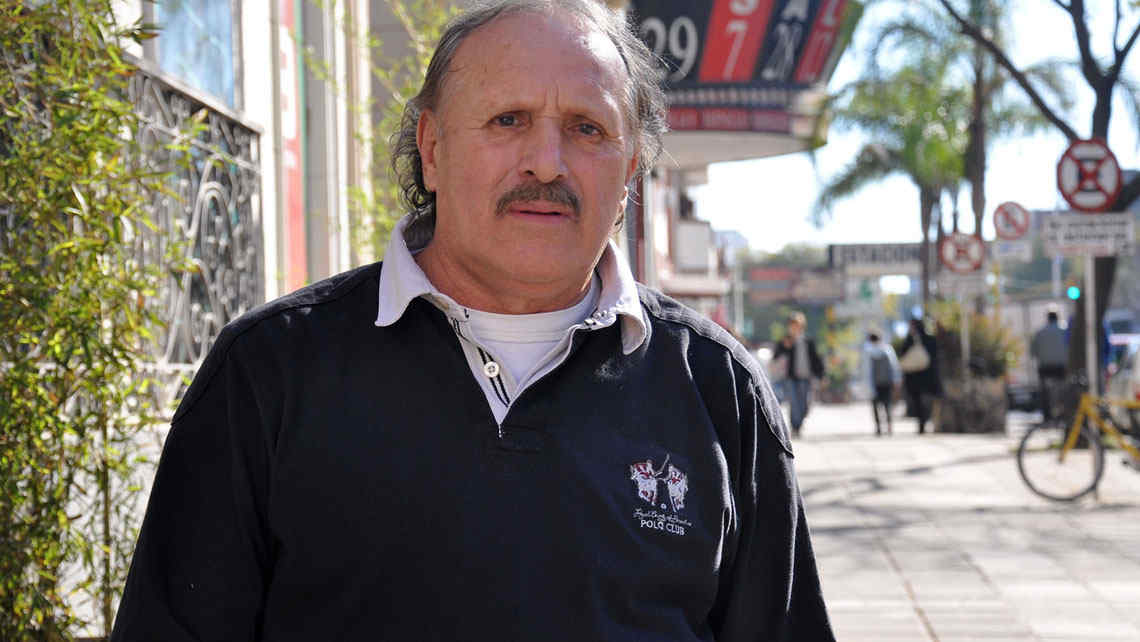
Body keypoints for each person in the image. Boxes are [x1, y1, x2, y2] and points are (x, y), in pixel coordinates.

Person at [110, 2, 834, 640]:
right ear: (431, 150)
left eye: (587, 128)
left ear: (629, 173)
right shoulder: (269, 373)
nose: (546, 163)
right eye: (508, 120)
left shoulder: (719, 390)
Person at [772, 311, 825, 437]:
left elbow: (816, 359)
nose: (795, 327)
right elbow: (776, 356)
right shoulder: (786, 340)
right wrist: (785, 346)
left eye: (797, 325)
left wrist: (821, 375)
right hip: (790, 377)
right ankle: (795, 426)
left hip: (806, 377)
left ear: (802, 326)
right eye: (792, 325)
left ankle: (799, 422)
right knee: (794, 403)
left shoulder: (808, 341)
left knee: (805, 404)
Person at [899, 317, 942, 434]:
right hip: (923, 377)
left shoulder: (912, 340)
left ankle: (923, 423)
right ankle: (923, 423)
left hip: (919, 378)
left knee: (921, 402)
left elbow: (903, 355)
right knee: (923, 401)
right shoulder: (926, 339)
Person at [1032, 307, 1068, 420]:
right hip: (1061, 368)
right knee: (1063, 391)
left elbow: (1033, 352)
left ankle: (1047, 415)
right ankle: (1063, 413)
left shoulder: (1039, 332)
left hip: (1045, 368)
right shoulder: (1065, 330)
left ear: (1047, 318)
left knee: (1045, 393)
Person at [866, 331, 901, 436]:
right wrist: (896, 380)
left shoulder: (868, 352)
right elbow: (894, 366)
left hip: (875, 383)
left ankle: (879, 427)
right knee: (887, 405)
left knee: (876, 406)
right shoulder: (887, 350)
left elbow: (867, 371)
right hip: (886, 382)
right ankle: (889, 426)